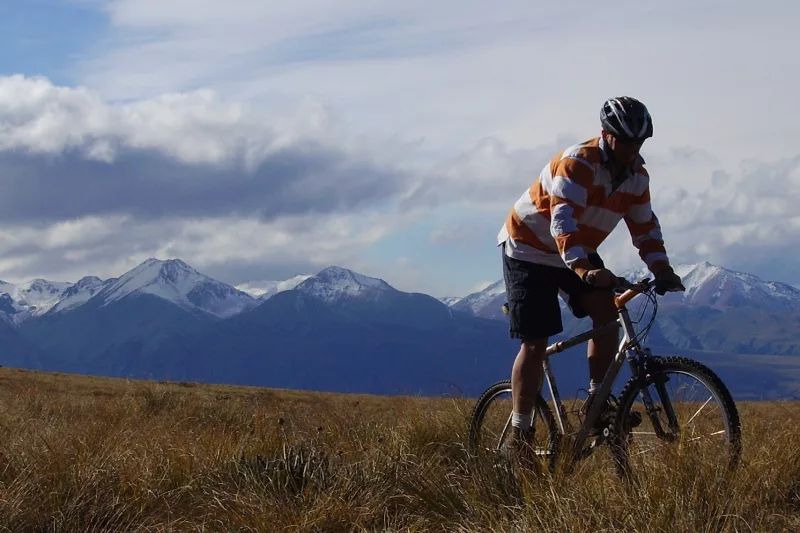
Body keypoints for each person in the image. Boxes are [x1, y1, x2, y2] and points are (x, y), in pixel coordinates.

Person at [496, 96, 685, 462]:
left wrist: (662, 269)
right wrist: (584, 269)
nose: (632, 149)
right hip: (529, 247)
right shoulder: (578, 162)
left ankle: (597, 404)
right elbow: (562, 221)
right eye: (625, 141)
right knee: (536, 342)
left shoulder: (637, 178)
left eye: (639, 143)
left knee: (607, 311)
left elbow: (644, 227)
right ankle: (519, 433)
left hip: (575, 248)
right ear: (606, 134)